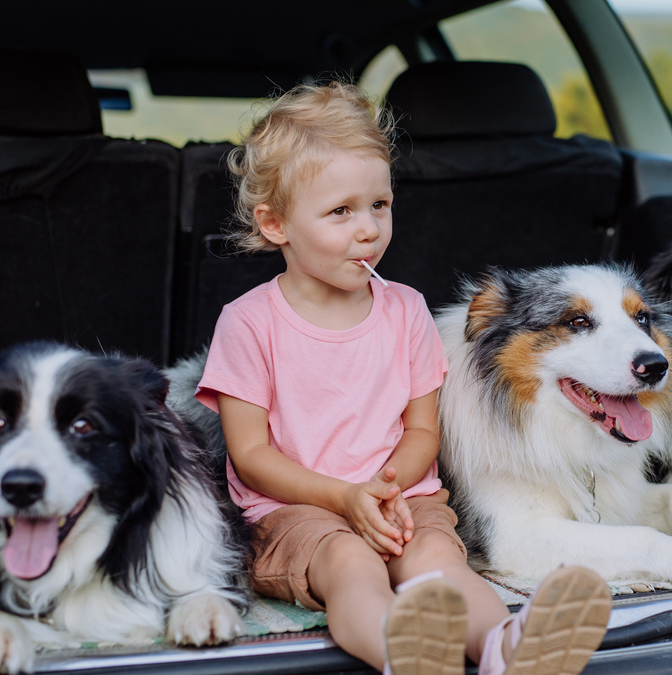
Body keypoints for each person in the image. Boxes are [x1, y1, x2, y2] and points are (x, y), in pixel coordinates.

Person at [195, 80, 611, 675]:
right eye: (340, 211)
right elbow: (251, 453)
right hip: (293, 512)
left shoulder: (407, 309)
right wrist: (344, 498)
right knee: (350, 566)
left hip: (400, 498)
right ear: (276, 224)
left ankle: (508, 649)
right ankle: (405, 653)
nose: (368, 228)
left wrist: (387, 488)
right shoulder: (248, 322)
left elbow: (422, 430)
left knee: (441, 560)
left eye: (379, 205)